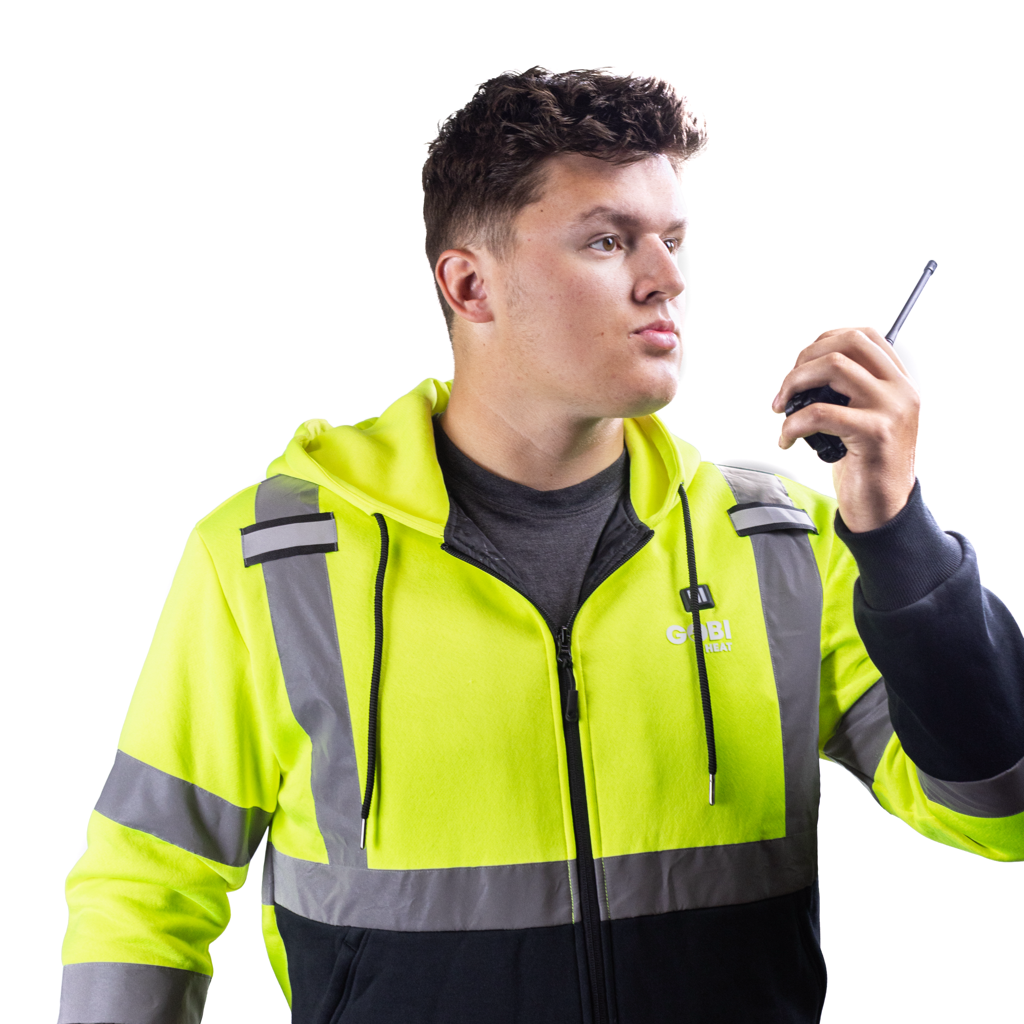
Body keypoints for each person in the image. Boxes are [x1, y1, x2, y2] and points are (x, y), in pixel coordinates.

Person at [58, 68, 1024, 1024]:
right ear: (469, 284)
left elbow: (1001, 810)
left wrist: (896, 530)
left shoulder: (779, 548)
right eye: (608, 240)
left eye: (673, 239)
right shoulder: (273, 564)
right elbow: (143, 892)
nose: (668, 278)